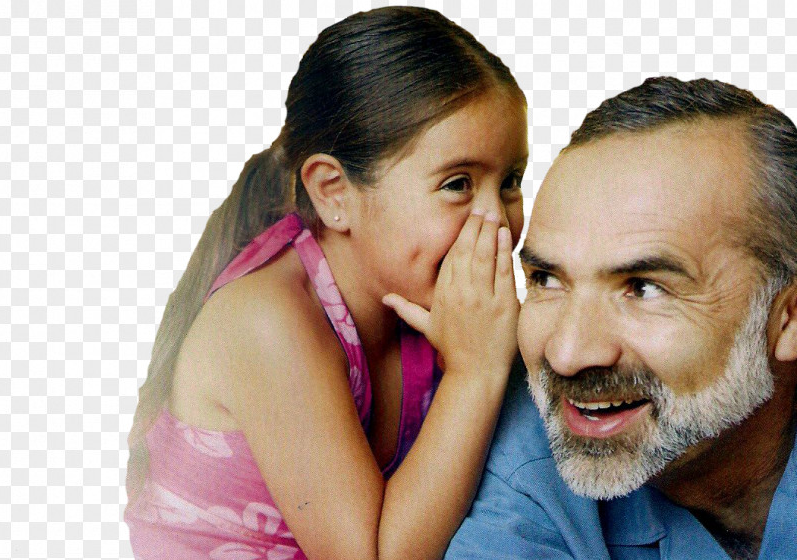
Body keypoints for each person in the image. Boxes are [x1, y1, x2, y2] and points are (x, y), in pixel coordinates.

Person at [124, 6, 529, 560]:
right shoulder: (266, 321)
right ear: (334, 193)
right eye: (458, 184)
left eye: (510, 181)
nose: (498, 220)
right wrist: (476, 372)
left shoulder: (431, 309)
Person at [446, 76, 797, 560]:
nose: (567, 356)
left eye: (644, 288)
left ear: (789, 316)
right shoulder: (529, 465)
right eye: (547, 279)